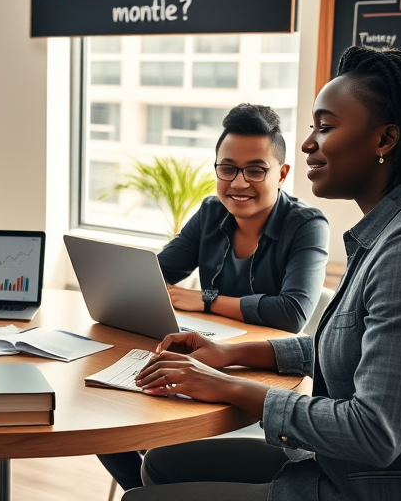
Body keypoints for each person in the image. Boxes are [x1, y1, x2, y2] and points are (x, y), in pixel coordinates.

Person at [123, 46, 401, 501]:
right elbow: (353, 344)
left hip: (360, 488)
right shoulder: (397, 231)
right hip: (337, 468)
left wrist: (227, 386)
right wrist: (228, 355)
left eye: (326, 126)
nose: (308, 142)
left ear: (384, 140)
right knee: (161, 462)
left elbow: (373, 432)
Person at [98, 104, 330, 491]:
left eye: (255, 169)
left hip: (260, 375)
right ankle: (144, 492)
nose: (239, 183)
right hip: (205, 354)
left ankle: (157, 491)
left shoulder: (306, 225)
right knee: (107, 414)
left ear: (282, 173)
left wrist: (205, 299)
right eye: (227, 168)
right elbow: (156, 275)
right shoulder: (211, 212)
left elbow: (291, 313)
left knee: (148, 433)